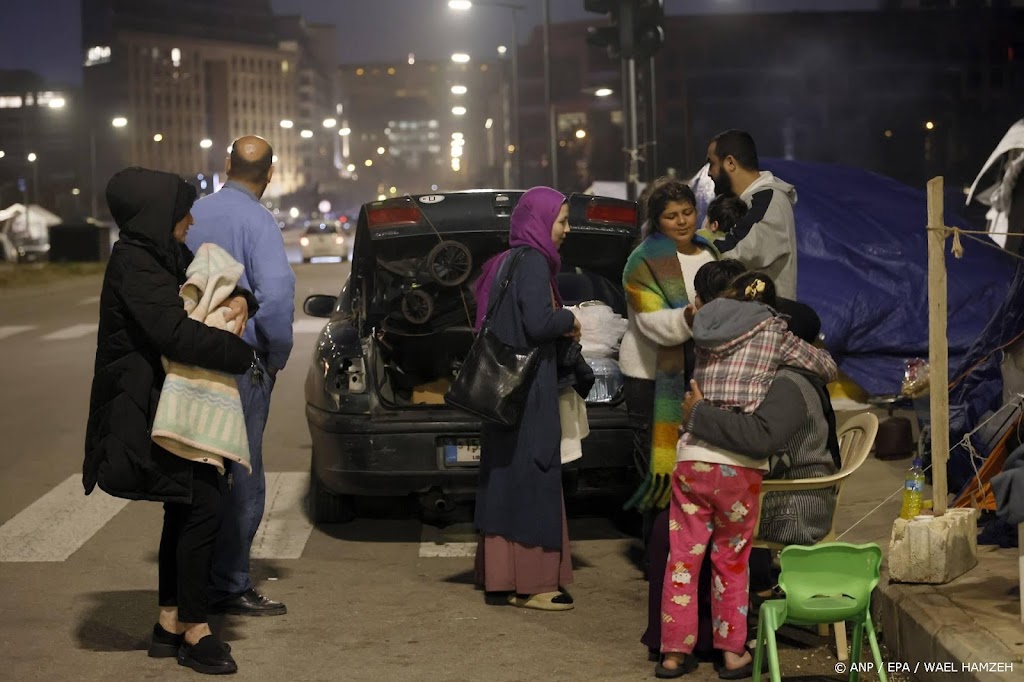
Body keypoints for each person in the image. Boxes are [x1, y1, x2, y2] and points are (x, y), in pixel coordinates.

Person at [84, 167, 256, 675]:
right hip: (146, 405)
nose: (190, 218)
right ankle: (196, 630)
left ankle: (168, 624)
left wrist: (245, 298)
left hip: (169, 403)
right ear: (158, 214)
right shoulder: (135, 262)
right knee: (202, 507)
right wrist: (242, 354)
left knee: (186, 507)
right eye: (183, 209)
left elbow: (218, 287)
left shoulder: (160, 253)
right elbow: (175, 334)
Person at [657, 267, 837, 679]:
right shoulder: (774, 331)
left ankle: (672, 654)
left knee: (682, 560)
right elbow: (825, 366)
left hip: (692, 458)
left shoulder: (705, 323)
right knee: (731, 562)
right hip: (739, 468)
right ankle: (733, 653)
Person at [186, 135, 295, 616]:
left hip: (187, 357)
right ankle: (229, 582)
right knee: (243, 473)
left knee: (197, 469)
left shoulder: (191, 213)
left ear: (226, 164)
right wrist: (276, 357)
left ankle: (193, 579)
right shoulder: (260, 221)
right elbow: (276, 298)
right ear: (270, 174)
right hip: (240, 361)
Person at [472, 186, 582, 611]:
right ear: (540, 222)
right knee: (536, 474)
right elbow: (538, 325)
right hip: (530, 387)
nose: (567, 230)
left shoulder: (504, 261)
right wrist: (570, 318)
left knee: (505, 478)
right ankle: (534, 584)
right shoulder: (534, 262)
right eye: (562, 221)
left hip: (503, 389)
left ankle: (503, 576)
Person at [620, 178, 719, 514]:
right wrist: (690, 318)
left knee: (698, 472)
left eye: (688, 212)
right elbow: (654, 325)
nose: (682, 221)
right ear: (656, 221)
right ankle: (658, 556)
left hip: (703, 378)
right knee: (660, 474)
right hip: (651, 383)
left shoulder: (711, 254)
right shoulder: (642, 262)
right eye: (671, 215)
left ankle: (689, 555)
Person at [705, 130, 798, 299]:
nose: (708, 172)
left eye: (711, 163)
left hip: (766, 320)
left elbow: (738, 250)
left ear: (730, 163)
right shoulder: (731, 202)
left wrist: (692, 249)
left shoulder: (769, 201)